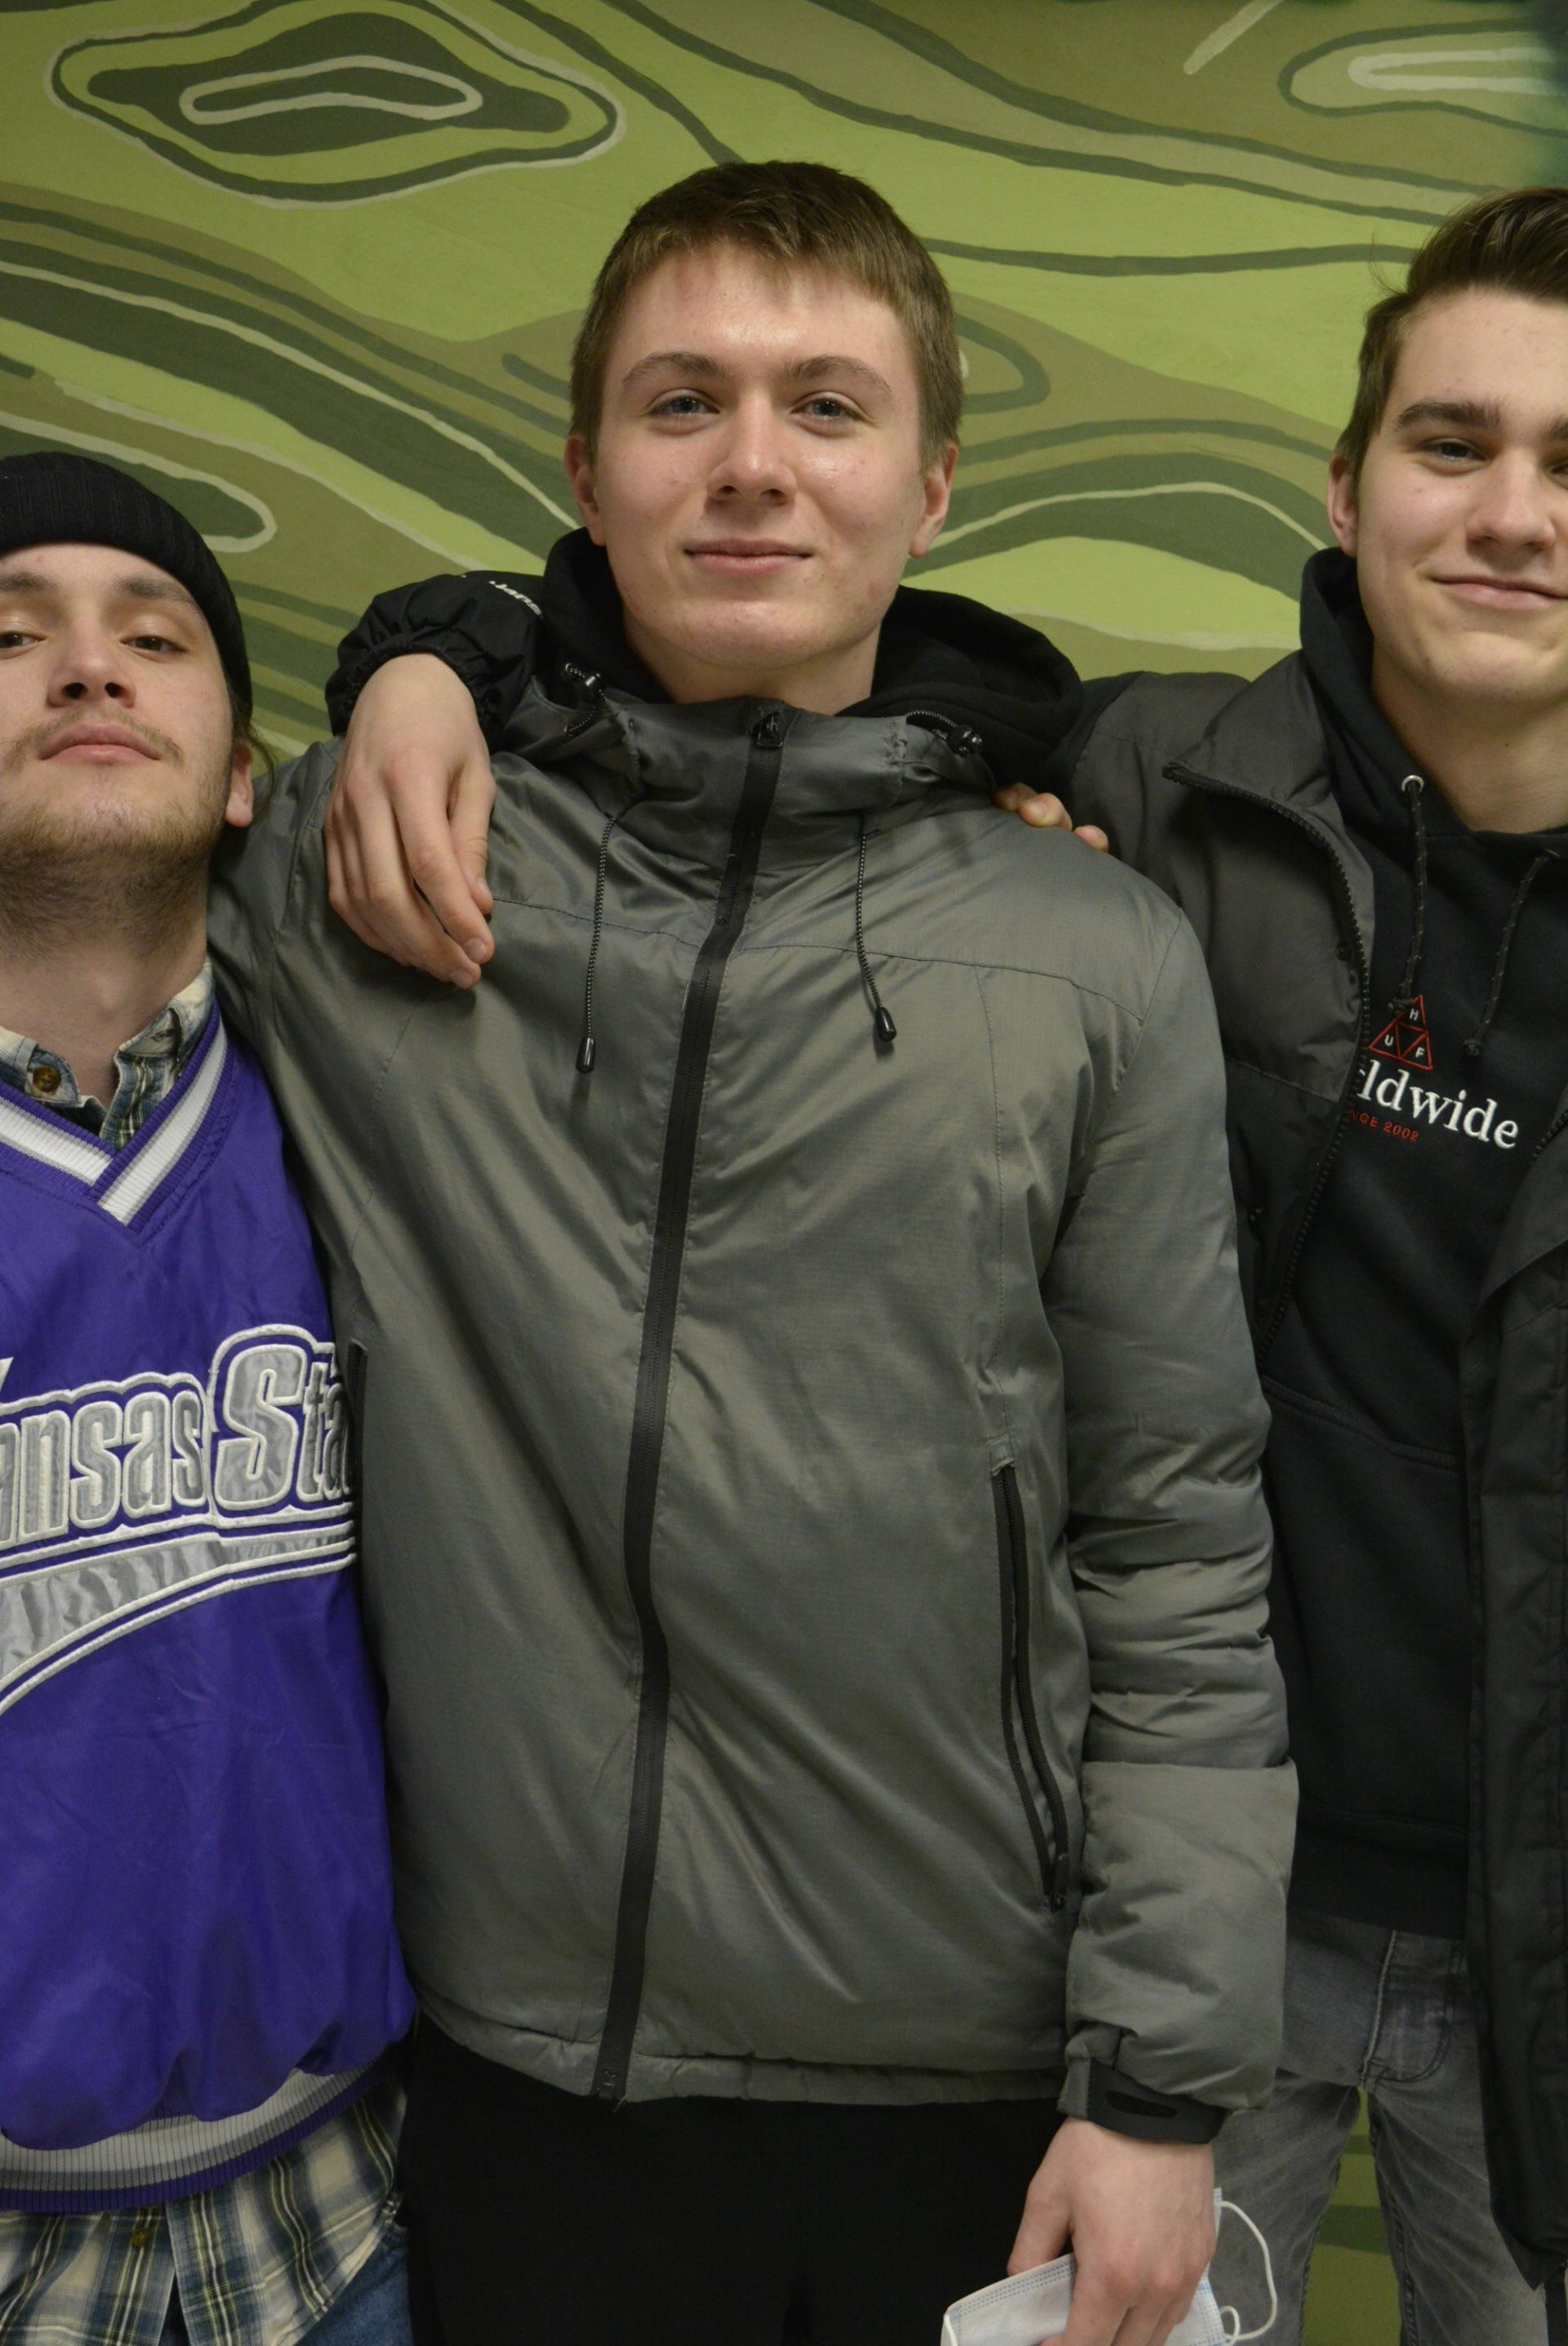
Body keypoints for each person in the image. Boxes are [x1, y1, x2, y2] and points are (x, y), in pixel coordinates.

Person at [330, 180, 1568, 2341]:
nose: (1514, 514)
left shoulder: (1087, 855)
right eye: (1454, 442)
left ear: (929, 475)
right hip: (1191, 1903)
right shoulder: (1152, 785)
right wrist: (427, 657)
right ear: (1347, 477)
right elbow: (790, 679)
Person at [0, 452, 416, 2346]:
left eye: (153, 635)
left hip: (344, 2203)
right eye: (12, 635)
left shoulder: (375, 1103)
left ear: (249, 773)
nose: (89, 665)